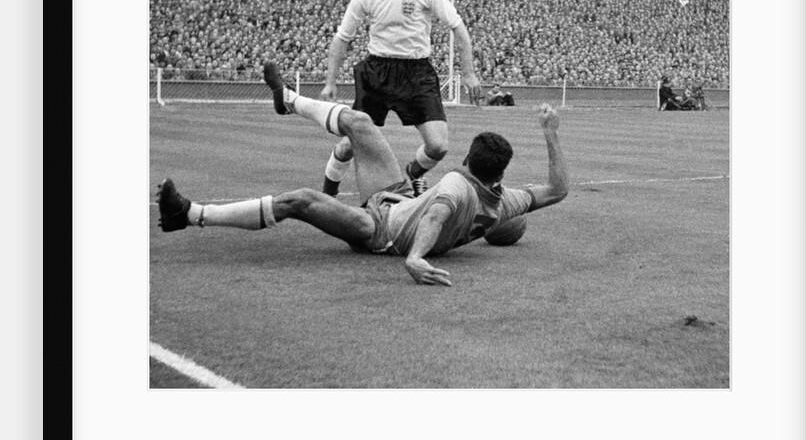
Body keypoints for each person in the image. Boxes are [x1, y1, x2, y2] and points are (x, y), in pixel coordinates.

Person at [157, 63, 568, 287]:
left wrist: (415, 257)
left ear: (469, 163)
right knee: (360, 123)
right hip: (397, 197)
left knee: (299, 201)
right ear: (499, 178)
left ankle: (191, 214)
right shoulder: (503, 202)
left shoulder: (457, 186)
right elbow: (557, 190)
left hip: (380, 230)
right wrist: (550, 135)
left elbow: (439, 214)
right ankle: (288, 99)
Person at [316, 0, 482, 198]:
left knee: (438, 146)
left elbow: (459, 29)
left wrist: (469, 74)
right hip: (377, 73)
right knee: (349, 145)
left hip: (417, 73)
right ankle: (327, 193)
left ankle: (414, 172)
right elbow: (341, 39)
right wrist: (330, 82)